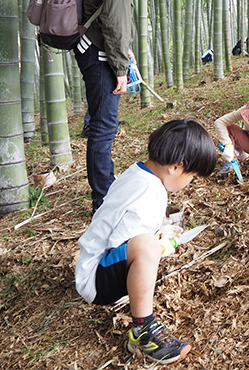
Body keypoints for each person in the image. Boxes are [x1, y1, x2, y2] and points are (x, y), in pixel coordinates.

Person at [75, 119, 217, 364]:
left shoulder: (139, 173)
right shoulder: (151, 191)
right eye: (191, 175)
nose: (189, 182)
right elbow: (128, 243)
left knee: (149, 242)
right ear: (176, 166)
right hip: (96, 280)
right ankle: (144, 330)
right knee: (147, 245)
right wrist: (162, 245)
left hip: (91, 267)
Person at [75, 0, 181, 212]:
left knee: (102, 123)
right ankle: (104, 201)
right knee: (104, 126)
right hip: (99, 51)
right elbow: (115, 14)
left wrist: (125, 51)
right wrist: (120, 65)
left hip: (95, 45)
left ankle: (104, 190)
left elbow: (107, 9)